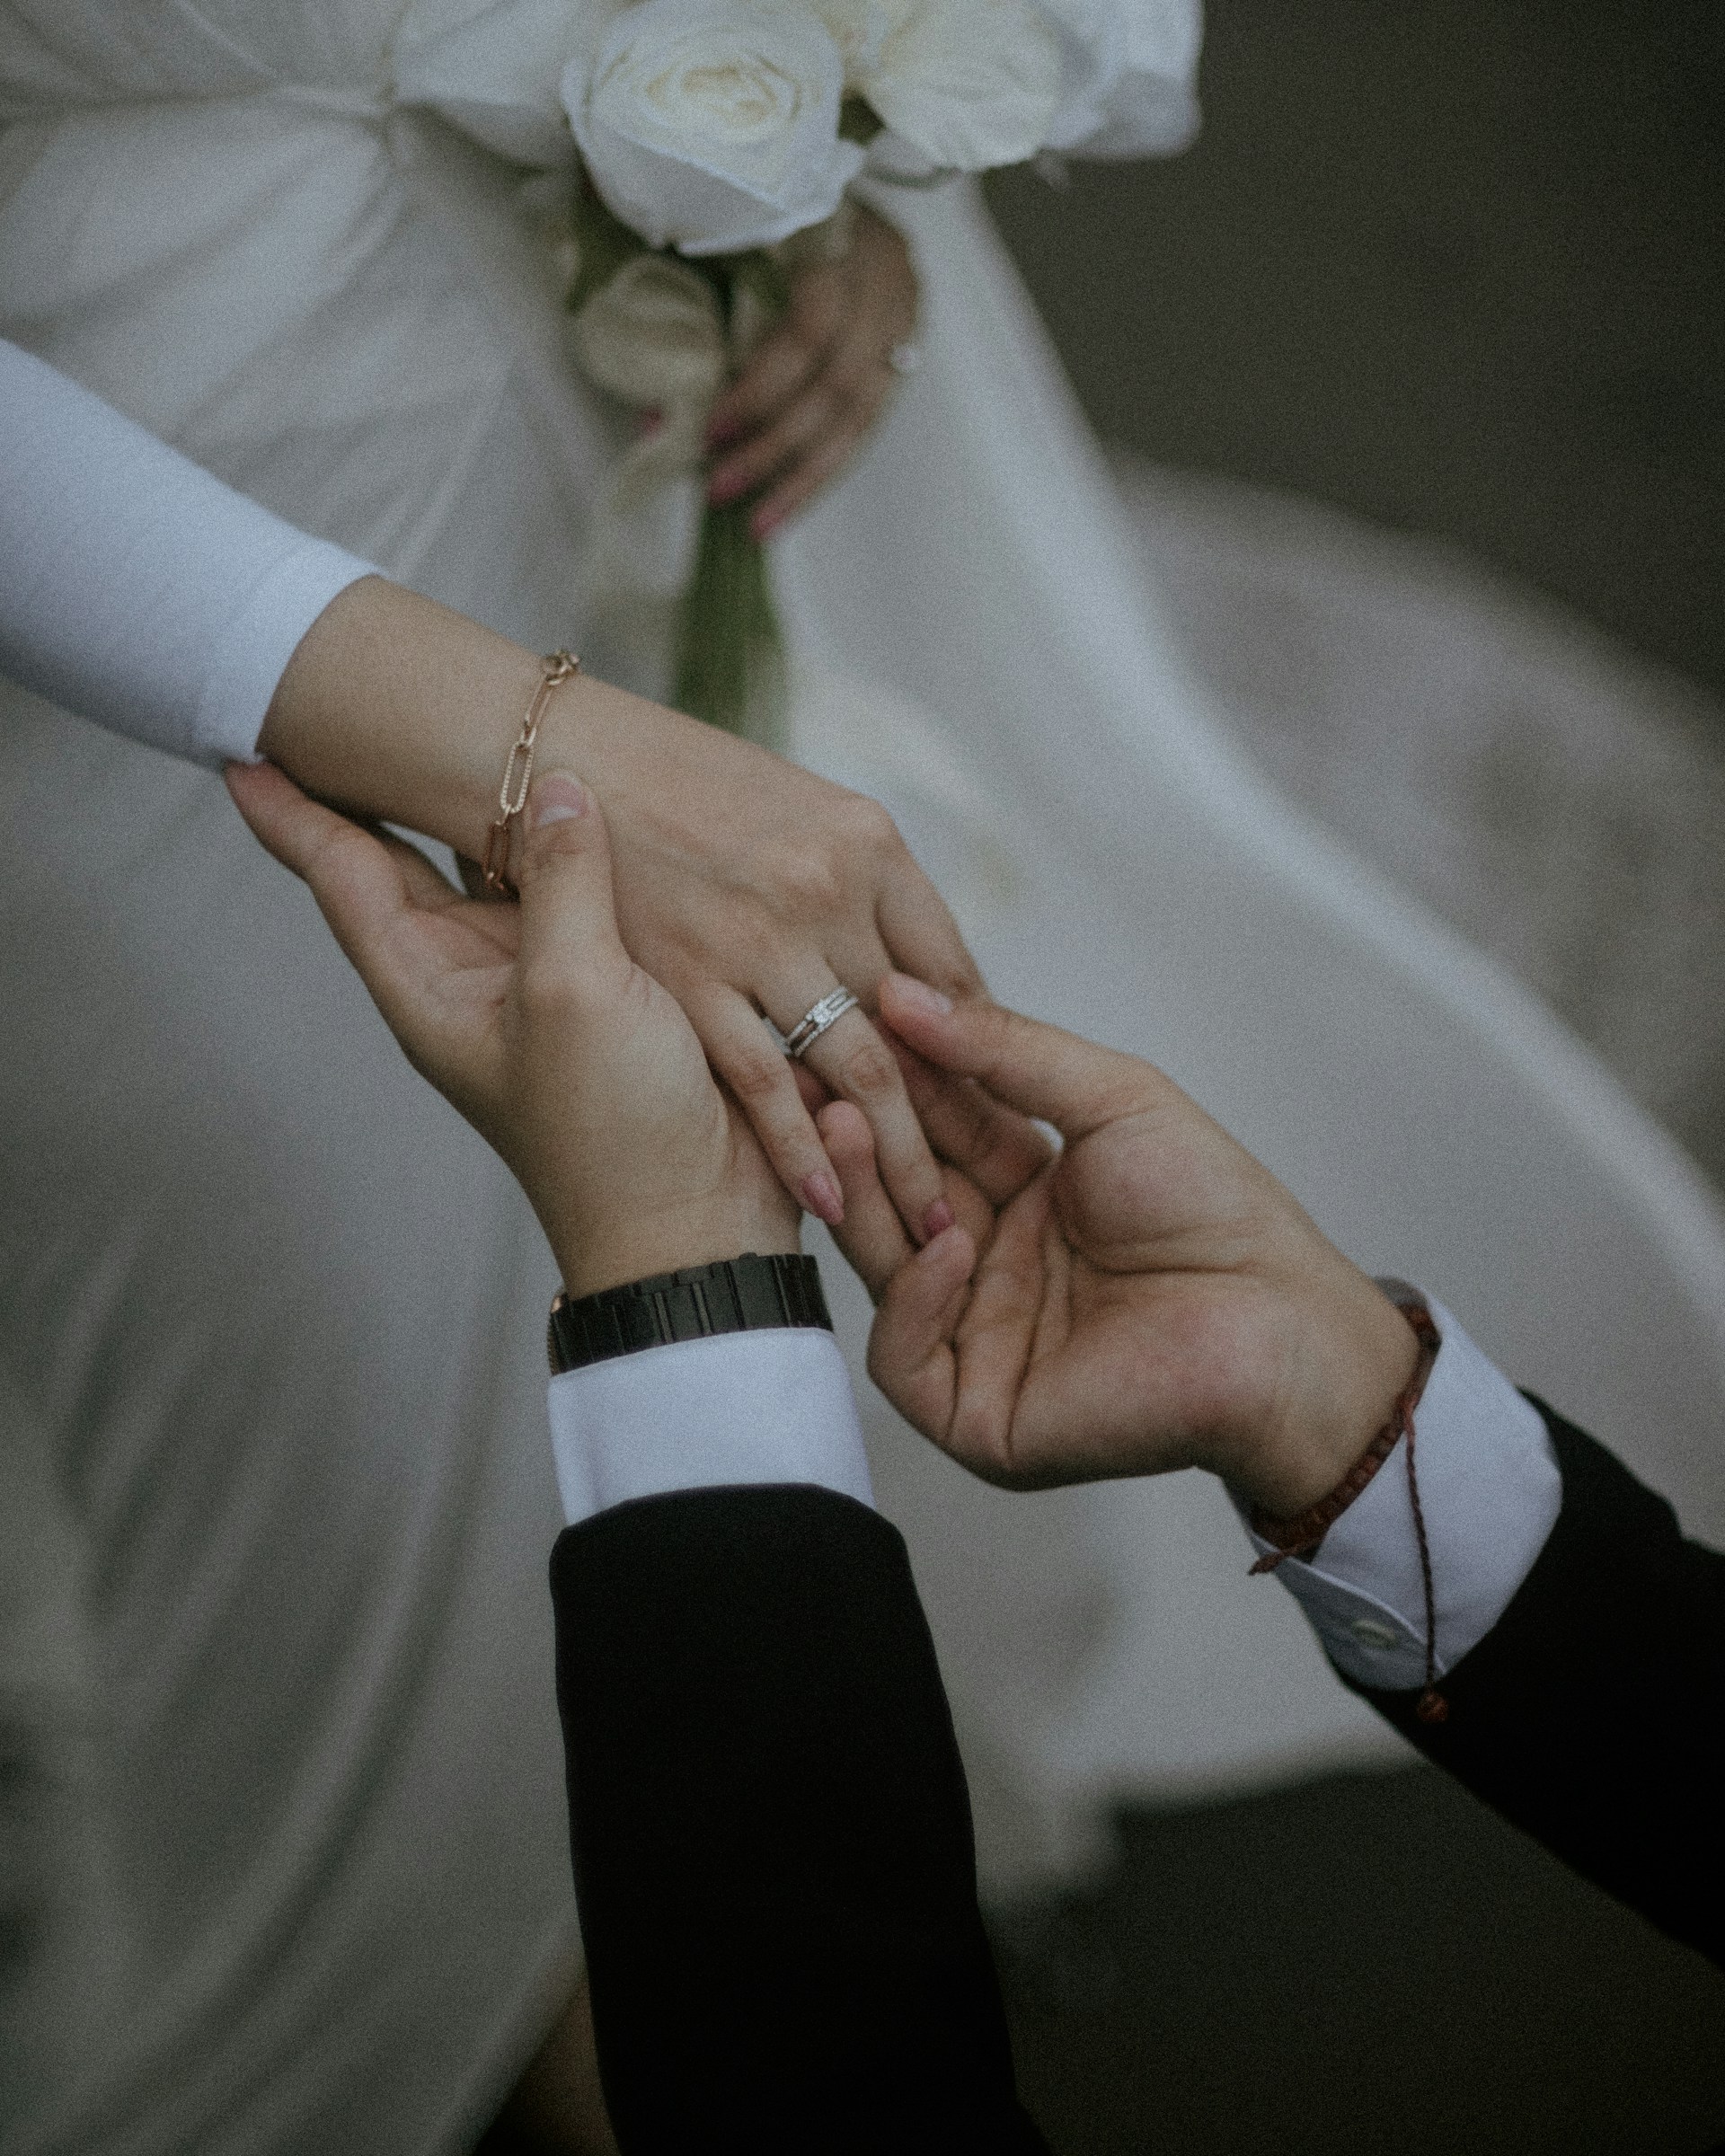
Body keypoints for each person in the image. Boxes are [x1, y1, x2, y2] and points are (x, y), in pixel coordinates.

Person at [8, 2, 1725, 2146]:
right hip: (123, 553)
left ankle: (633, 1978)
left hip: (644, 435)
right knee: (315, 1462)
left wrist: (835, 162)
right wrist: (1344, 1417)